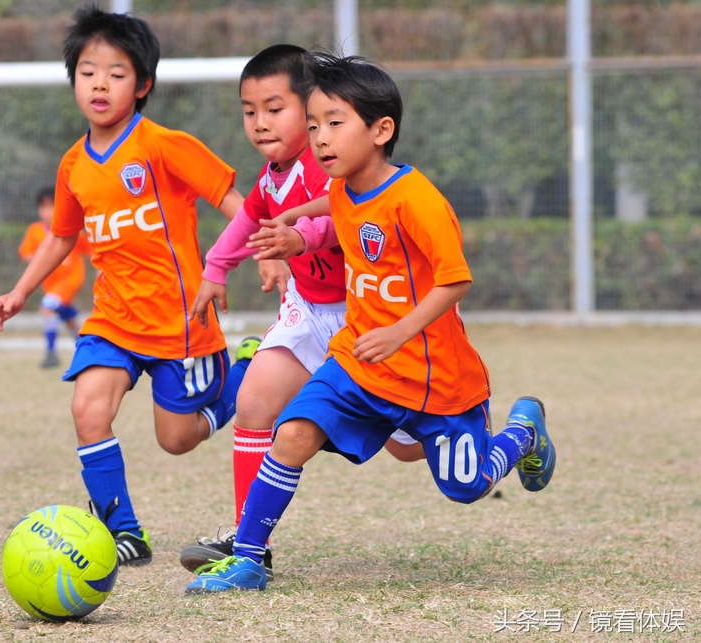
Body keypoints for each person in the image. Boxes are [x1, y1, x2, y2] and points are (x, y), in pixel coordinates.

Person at [185, 52, 556, 594]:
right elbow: (335, 212)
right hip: (357, 359)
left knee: (467, 485)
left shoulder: (418, 201)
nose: (319, 138)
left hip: (430, 375)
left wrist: (401, 331)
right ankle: (247, 560)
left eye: (334, 123)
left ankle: (523, 430)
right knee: (292, 433)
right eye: (313, 125)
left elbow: (455, 280)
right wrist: (296, 221)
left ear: (382, 130)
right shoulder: (341, 188)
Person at [0, 4, 260, 567]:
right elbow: (62, 237)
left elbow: (236, 203)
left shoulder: (163, 144)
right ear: (74, 82)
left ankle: (245, 374)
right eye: (88, 72)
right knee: (87, 408)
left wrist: (261, 252)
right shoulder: (72, 166)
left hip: (179, 322)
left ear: (143, 85)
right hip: (112, 320)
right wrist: (18, 293)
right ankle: (123, 532)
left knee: (177, 439)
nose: (100, 84)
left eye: (116, 72)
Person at [179, 44, 424, 581]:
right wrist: (215, 268)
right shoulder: (271, 176)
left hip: (368, 317)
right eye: (249, 111)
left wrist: (298, 236)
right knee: (254, 403)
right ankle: (249, 546)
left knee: (409, 450)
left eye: (275, 108)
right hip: (309, 312)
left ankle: (474, 423)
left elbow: (343, 217)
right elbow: (247, 219)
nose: (260, 123)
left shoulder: (335, 162)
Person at [18, 186, 92, 369]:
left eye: (51, 207)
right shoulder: (34, 230)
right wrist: (43, 260)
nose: (46, 212)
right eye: (43, 207)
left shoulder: (71, 229)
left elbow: (91, 249)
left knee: (48, 307)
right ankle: (85, 345)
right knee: (65, 315)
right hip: (50, 283)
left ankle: (51, 354)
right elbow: (25, 253)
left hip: (71, 278)